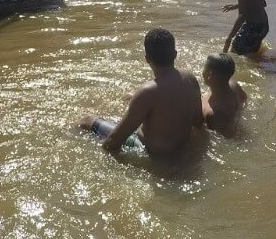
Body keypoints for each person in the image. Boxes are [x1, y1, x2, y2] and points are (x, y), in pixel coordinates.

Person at [79, 28, 202, 156]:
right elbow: (198, 121)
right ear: (175, 54)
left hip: (150, 152)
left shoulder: (147, 92)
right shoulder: (189, 78)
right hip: (181, 148)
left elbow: (113, 141)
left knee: (87, 120)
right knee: (130, 96)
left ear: (147, 59)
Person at [201, 53, 247, 138]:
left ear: (209, 74)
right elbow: (244, 98)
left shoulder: (212, 112)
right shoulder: (234, 85)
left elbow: (218, 137)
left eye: (204, 68)